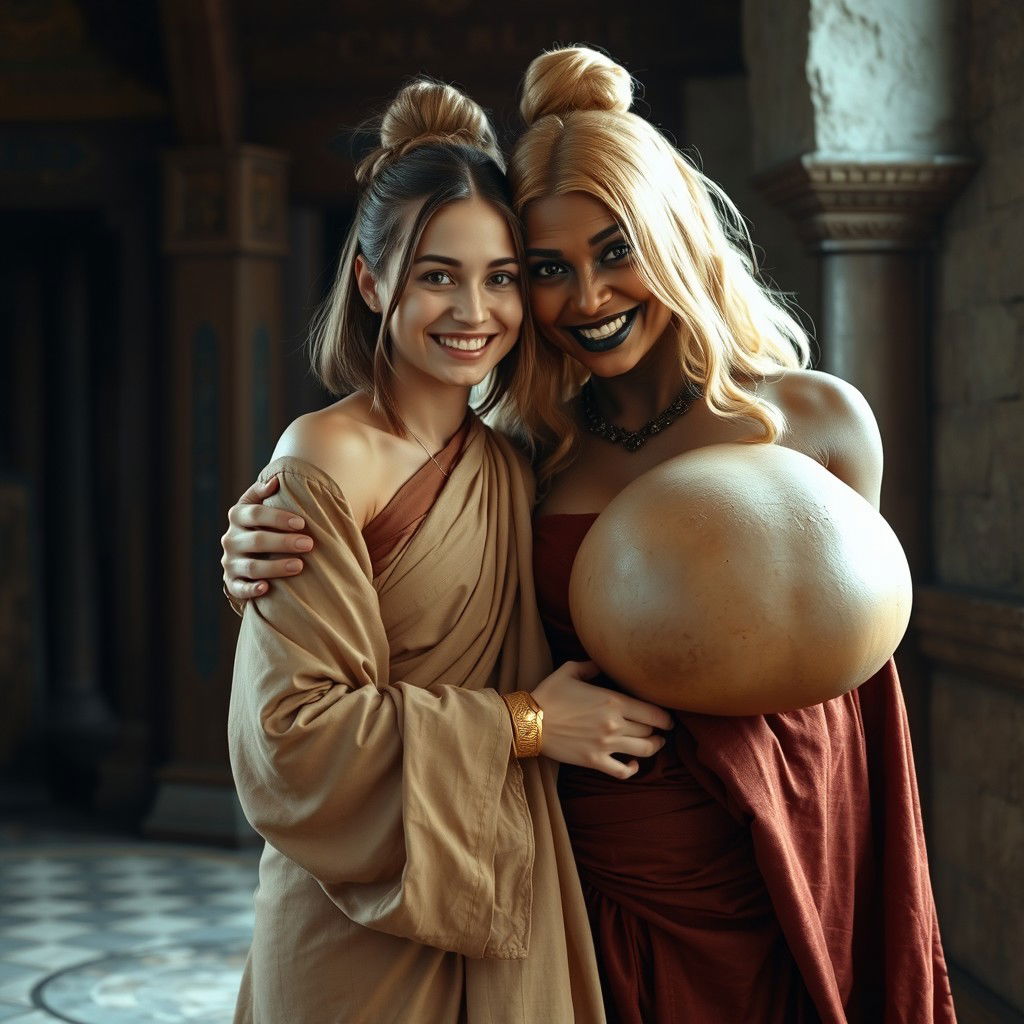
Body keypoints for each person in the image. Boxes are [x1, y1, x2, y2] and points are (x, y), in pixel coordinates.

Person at [223, 49, 955, 1023]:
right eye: (548, 270)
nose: (588, 296)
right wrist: (253, 544)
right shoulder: (532, 449)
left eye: (616, 251)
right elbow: (411, 593)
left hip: (778, 846)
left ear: (677, 234)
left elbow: (857, 674)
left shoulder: (819, 422)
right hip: (579, 862)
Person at [225, 76, 674, 1024]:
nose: (476, 311)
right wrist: (528, 725)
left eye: (503, 277)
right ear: (371, 279)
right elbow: (289, 744)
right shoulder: (323, 457)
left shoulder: (516, 459)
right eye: (438, 274)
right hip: (355, 924)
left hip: (506, 883)